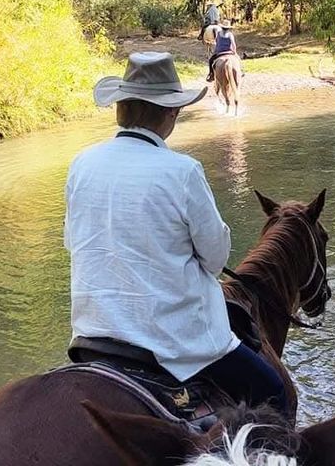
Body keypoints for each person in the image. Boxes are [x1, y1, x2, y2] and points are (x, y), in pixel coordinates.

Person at [64, 52, 288, 416]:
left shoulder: (81, 163)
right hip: (173, 344)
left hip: (92, 334)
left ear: (121, 108)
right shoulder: (182, 171)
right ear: (171, 112)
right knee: (274, 391)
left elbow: (73, 243)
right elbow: (215, 260)